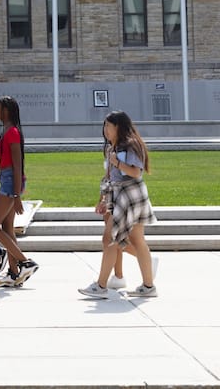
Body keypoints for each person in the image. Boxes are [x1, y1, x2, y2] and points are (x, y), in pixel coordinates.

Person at [79, 110, 159, 300]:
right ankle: (148, 285)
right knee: (129, 240)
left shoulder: (130, 146)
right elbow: (109, 177)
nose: (106, 130)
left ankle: (101, 286)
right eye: (105, 126)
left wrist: (117, 163)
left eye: (109, 126)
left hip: (130, 195)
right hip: (120, 196)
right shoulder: (112, 147)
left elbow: (136, 172)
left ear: (119, 127)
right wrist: (103, 199)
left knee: (112, 239)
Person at [0, 96, 38, 287]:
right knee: (7, 229)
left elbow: (17, 166)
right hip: (7, 181)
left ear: (6, 110)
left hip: (10, 183)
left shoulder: (12, 133)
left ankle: (26, 262)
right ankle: (14, 273)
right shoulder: (6, 131)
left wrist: (16, 196)